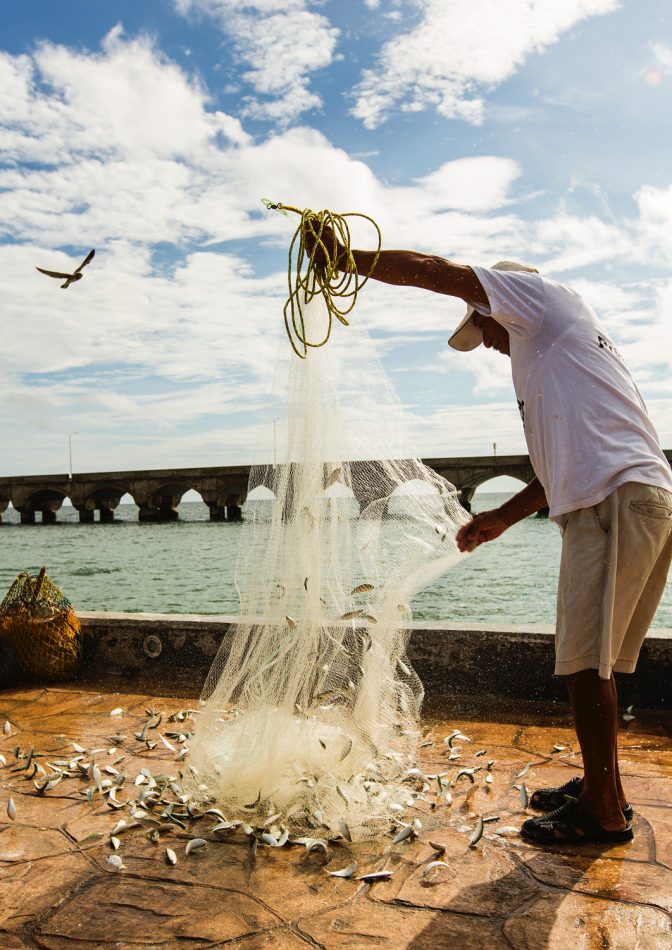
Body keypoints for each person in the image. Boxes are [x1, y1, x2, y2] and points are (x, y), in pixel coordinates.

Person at [305, 221, 672, 844]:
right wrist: (503, 516)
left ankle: (605, 814)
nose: (491, 344)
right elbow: (561, 466)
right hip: (629, 496)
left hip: (614, 501)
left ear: (499, 304)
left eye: (485, 329)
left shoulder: (545, 303)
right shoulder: (554, 356)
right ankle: (601, 786)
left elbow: (433, 269)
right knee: (602, 660)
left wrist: (346, 260)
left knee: (585, 664)